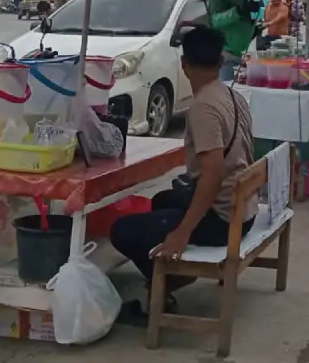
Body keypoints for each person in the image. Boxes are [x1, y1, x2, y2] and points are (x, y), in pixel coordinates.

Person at [109, 27, 255, 323]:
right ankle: (167, 274)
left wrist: (182, 233)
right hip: (244, 208)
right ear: (221, 60)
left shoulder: (203, 109)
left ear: (184, 64)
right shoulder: (231, 95)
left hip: (225, 220)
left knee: (122, 230)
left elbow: (213, 174)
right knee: (163, 199)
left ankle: (165, 286)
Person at [209, 0, 260, 81]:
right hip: (228, 54)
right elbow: (215, 20)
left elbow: (240, 18)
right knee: (227, 89)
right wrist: (238, 11)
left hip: (239, 54)